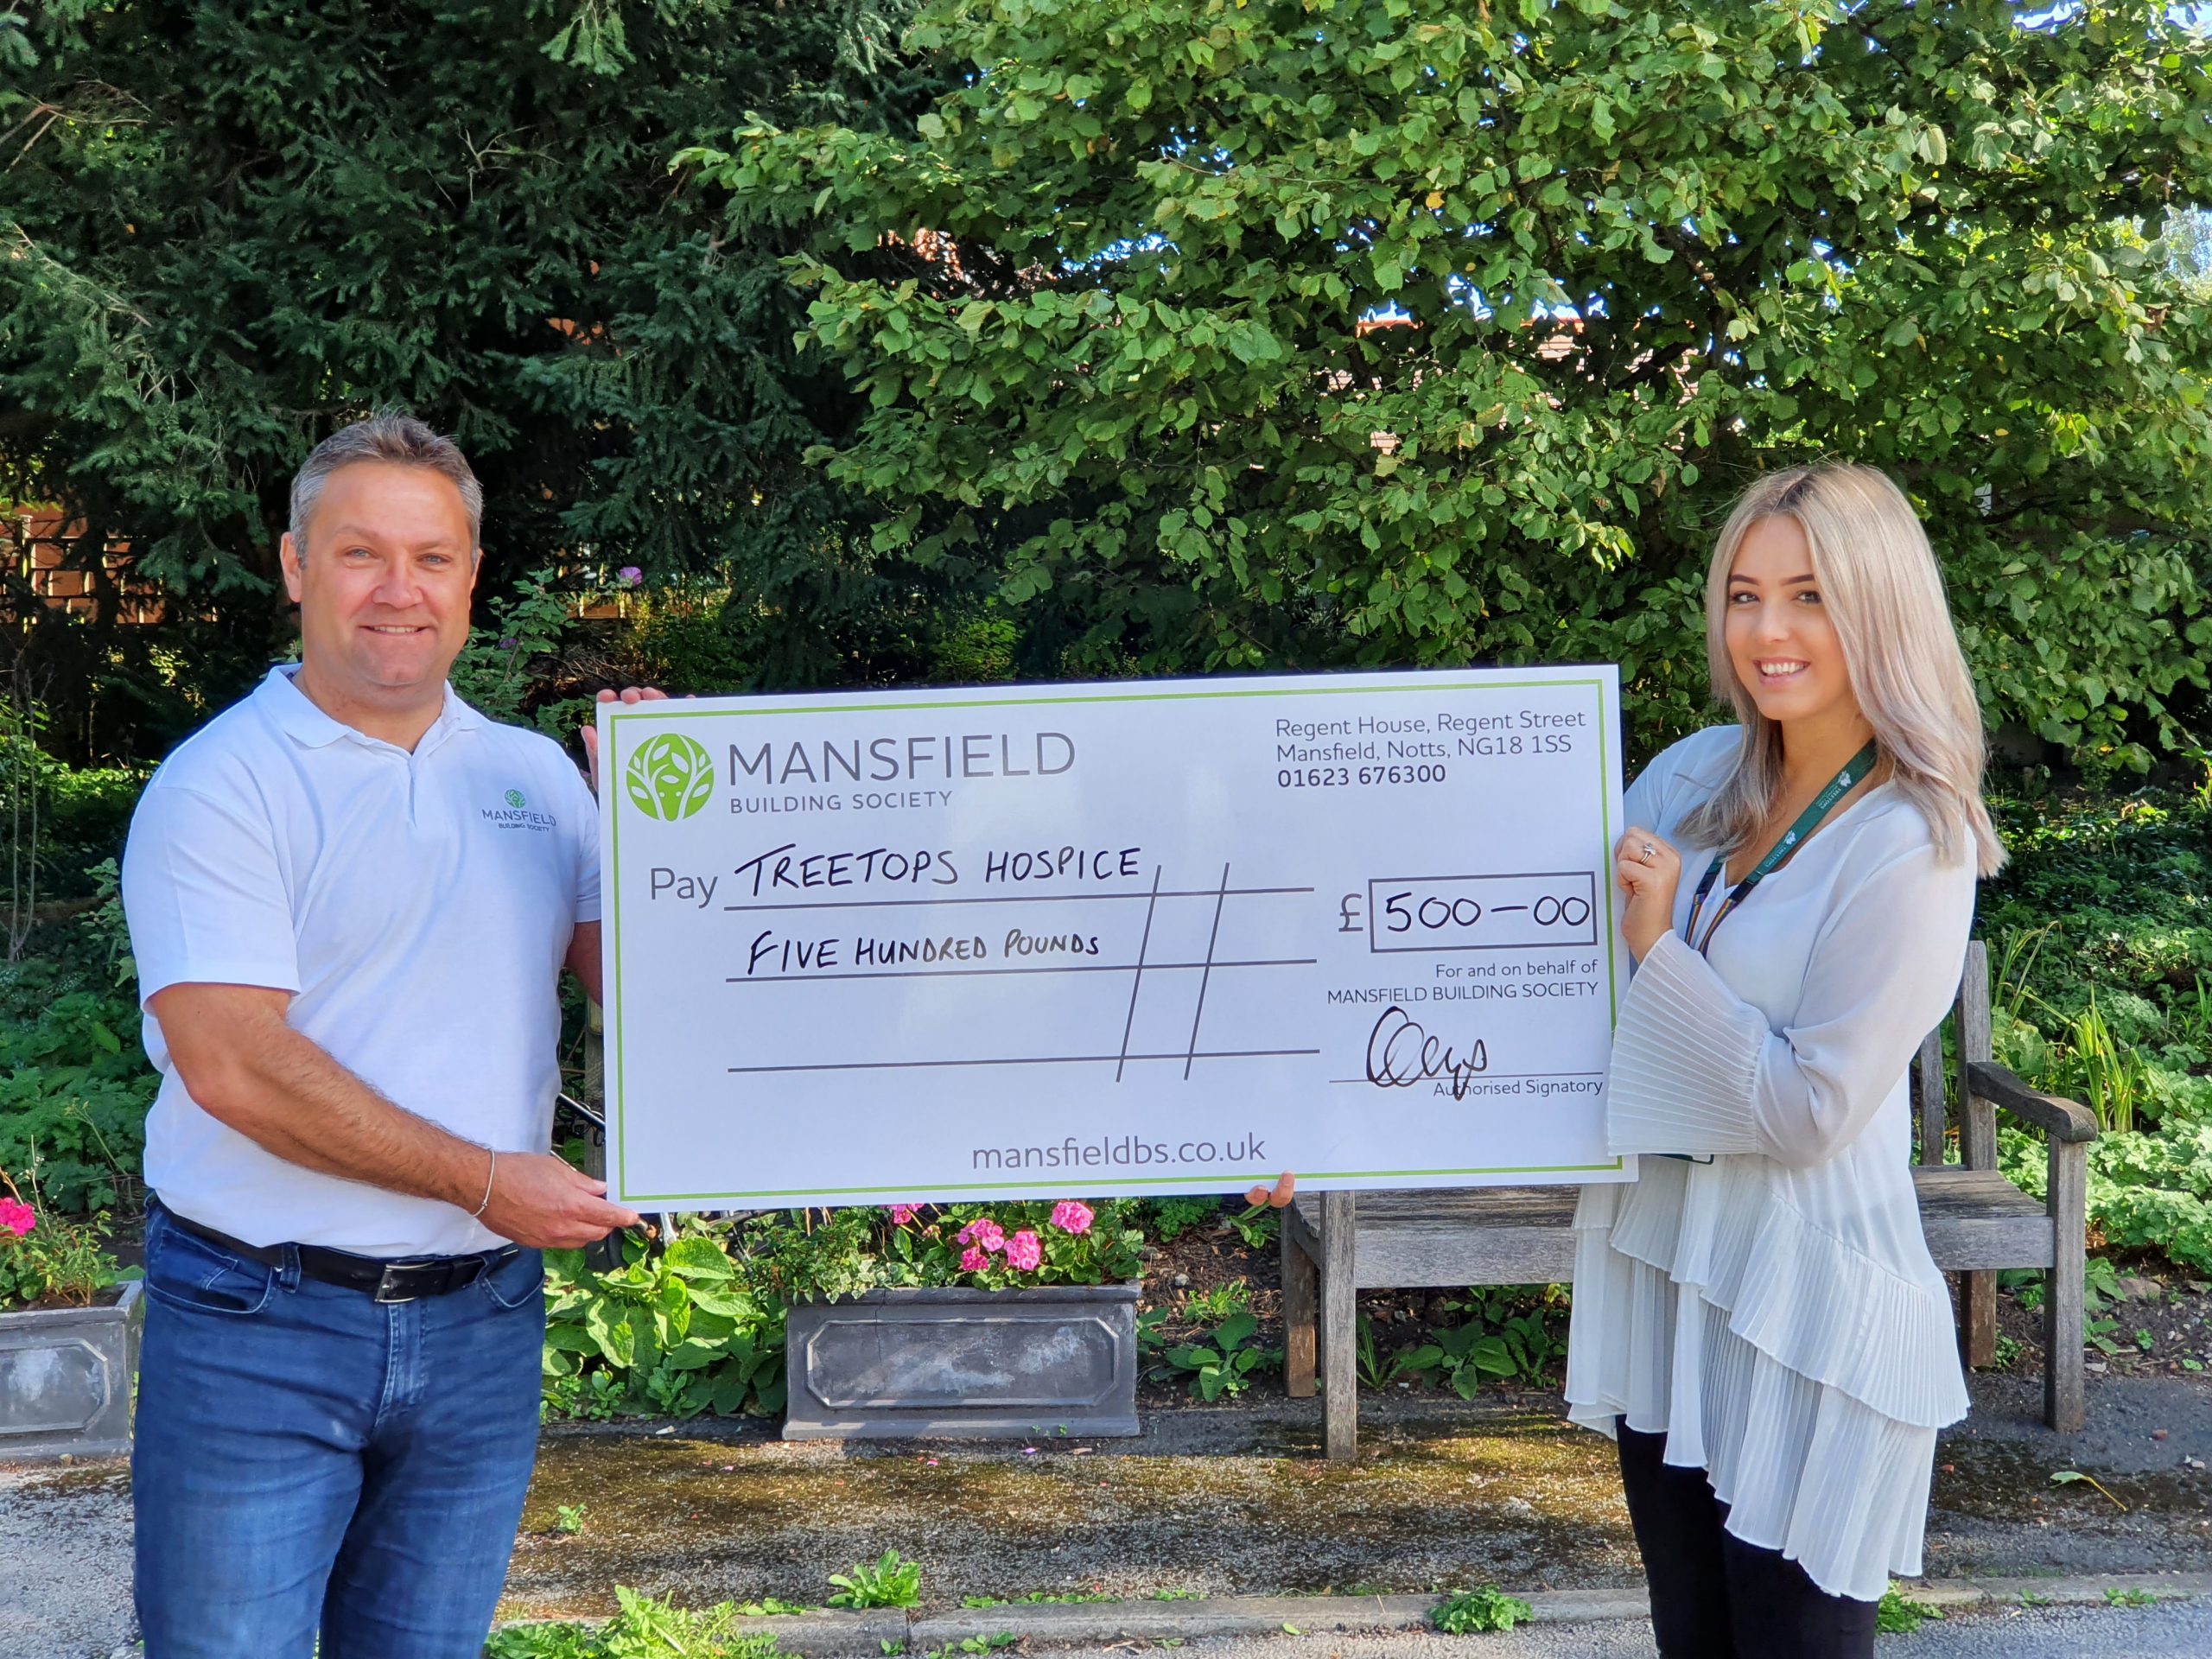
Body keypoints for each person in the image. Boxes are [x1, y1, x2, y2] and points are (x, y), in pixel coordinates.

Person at [121, 414, 652, 1657]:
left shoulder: (537, 779)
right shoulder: (225, 783)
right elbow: (233, 1064)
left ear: (473, 578)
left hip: (481, 1324)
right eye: (362, 554)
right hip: (262, 1316)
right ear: (298, 566)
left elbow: (645, 995)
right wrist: (481, 1179)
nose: (399, 592)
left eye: (432, 557)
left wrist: (672, 827)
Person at [1562, 464, 2004, 1658]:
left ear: (1880, 608)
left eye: (1808, 596)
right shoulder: (1694, 777)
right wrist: (1335, 1130)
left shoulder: (1914, 840)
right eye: (1744, 595)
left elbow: (1811, 1111)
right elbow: (1530, 994)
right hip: (1672, 1281)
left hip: (1807, 1306)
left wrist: (1659, 951)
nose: (1767, 632)